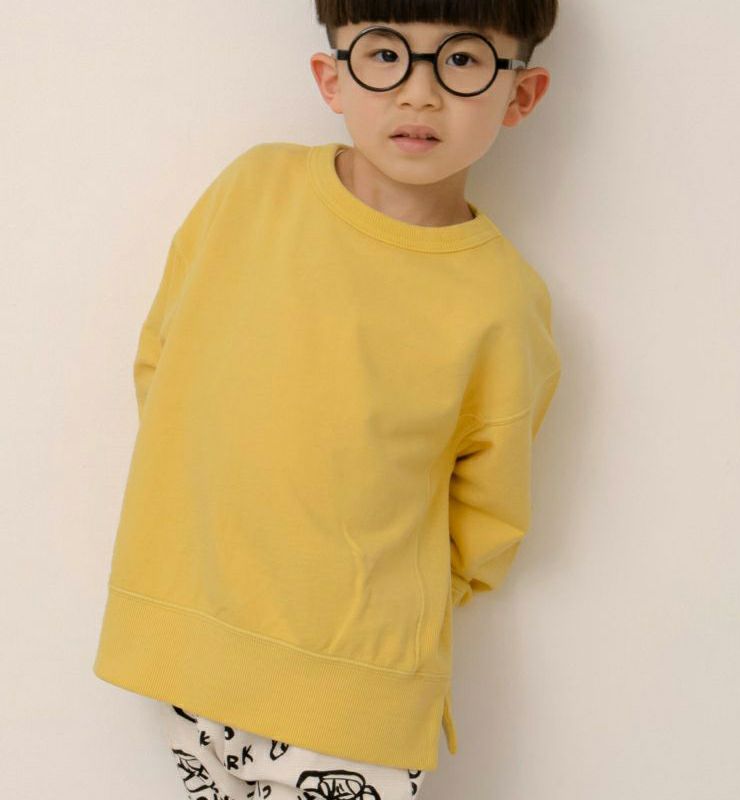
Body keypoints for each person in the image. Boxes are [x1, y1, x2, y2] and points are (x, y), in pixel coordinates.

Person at [92, 1, 562, 797]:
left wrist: (373, 602)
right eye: (384, 54)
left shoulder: (500, 299)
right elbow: (163, 361)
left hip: (354, 688)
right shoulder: (252, 190)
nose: (418, 92)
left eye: (462, 59)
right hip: (187, 648)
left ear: (521, 93)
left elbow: (489, 516)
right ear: (331, 76)